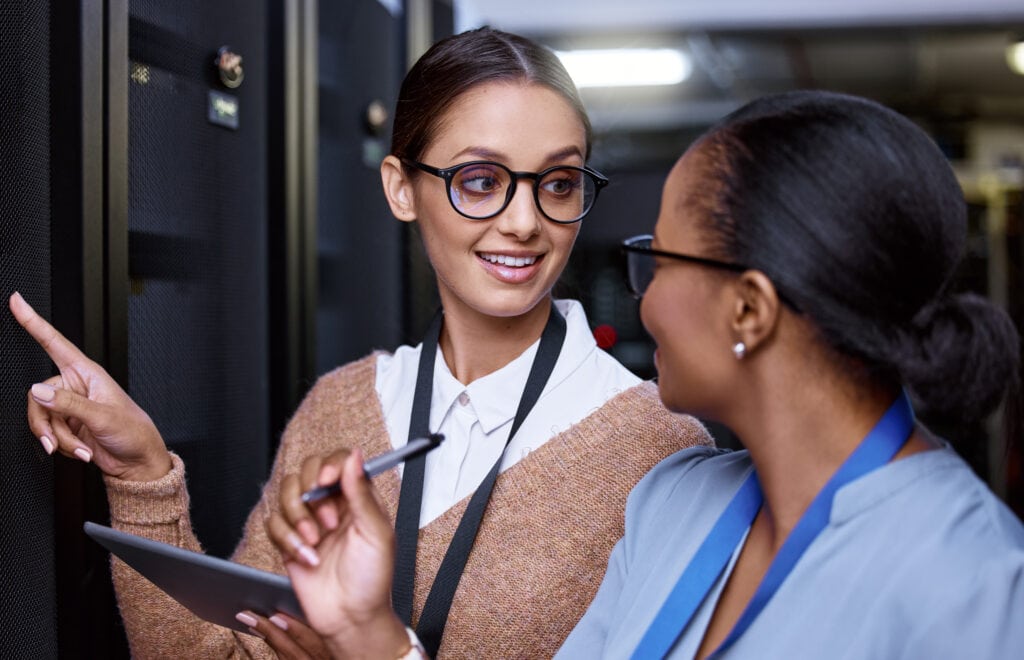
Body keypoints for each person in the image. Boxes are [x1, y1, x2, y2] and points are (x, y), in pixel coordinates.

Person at [8, 26, 710, 659]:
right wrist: (142, 476)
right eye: (480, 180)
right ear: (401, 189)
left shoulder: (659, 447)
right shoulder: (342, 406)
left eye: (558, 183)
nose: (526, 221)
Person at [270, 89, 1024, 659]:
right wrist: (369, 630)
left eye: (657, 260)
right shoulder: (675, 503)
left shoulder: (978, 586)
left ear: (749, 312)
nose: (646, 296)